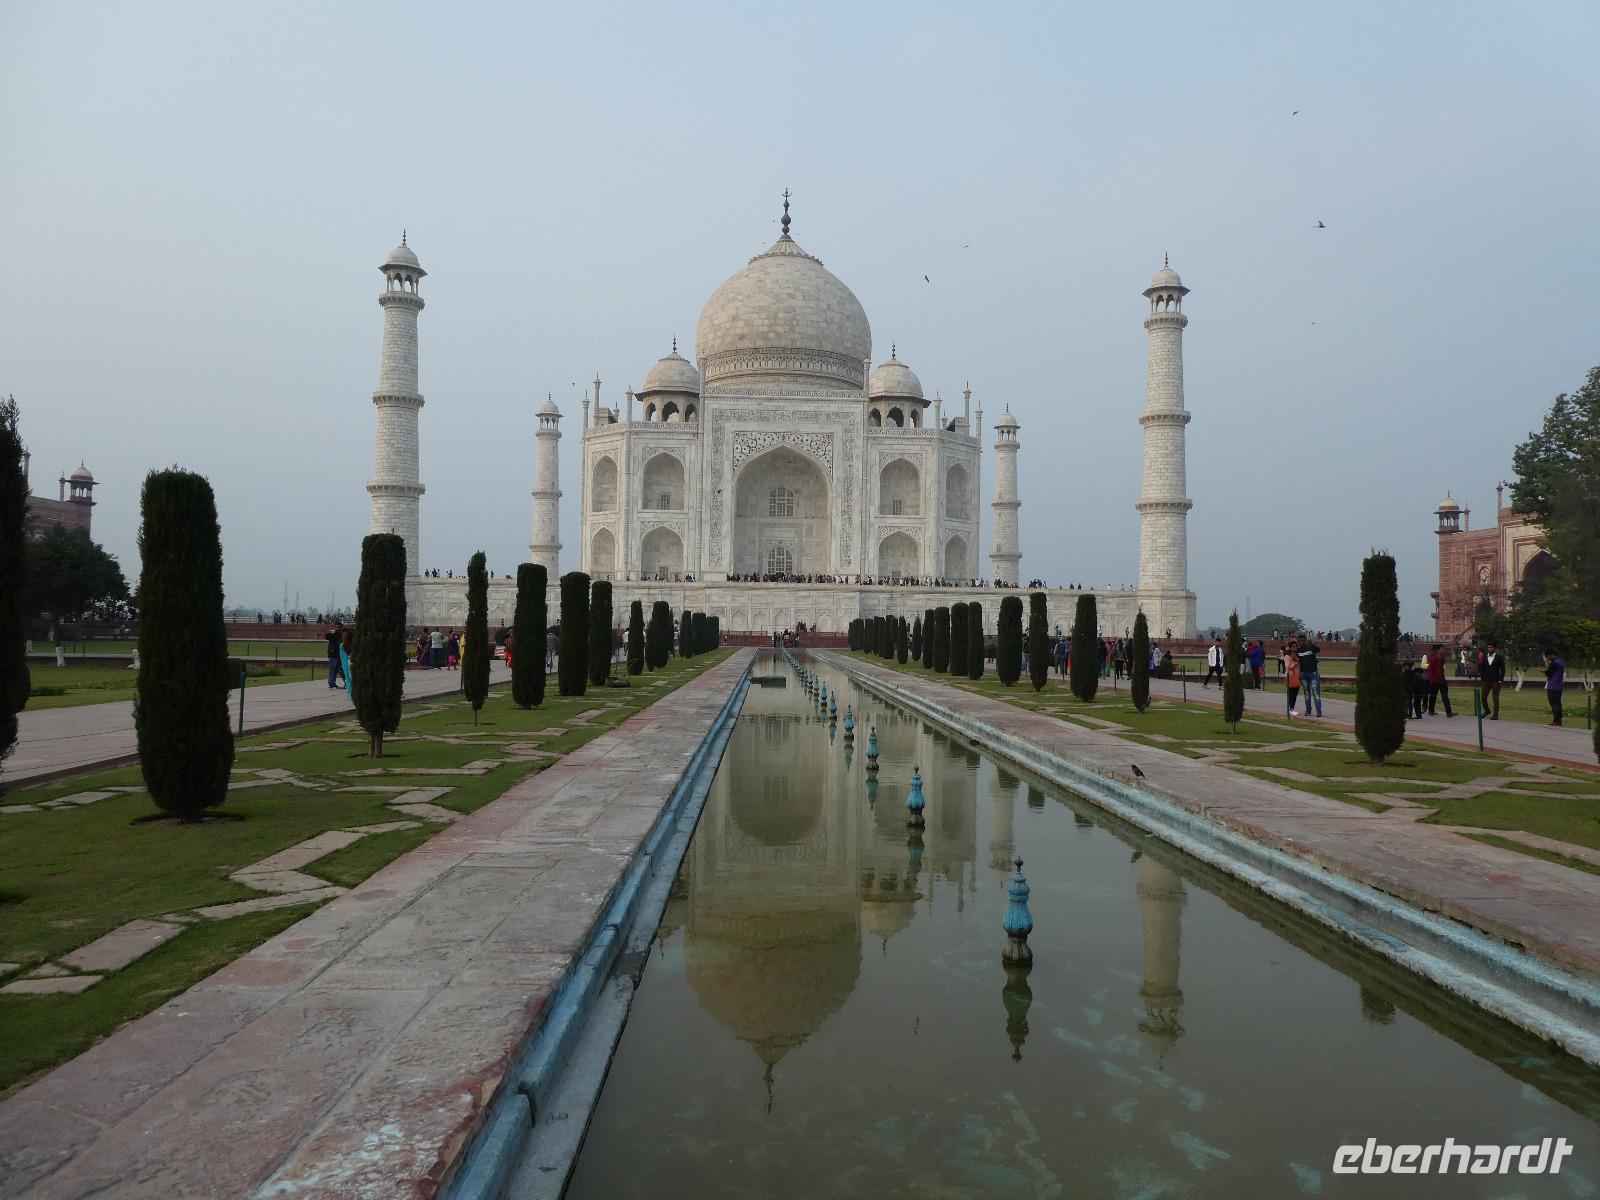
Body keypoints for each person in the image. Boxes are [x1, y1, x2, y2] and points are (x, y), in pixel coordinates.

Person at [1296, 637, 1323, 717]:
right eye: (1300, 641)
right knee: (1307, 693)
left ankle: (1318, 711)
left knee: (1316, 693)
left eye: (1303, 640)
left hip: (1313, 673)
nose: (1302, 642)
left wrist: (1311, 643)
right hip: (1303, 674)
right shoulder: (1298, 651)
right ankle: (1308, 710)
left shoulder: (1310, 648)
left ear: (1306, 641)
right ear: (1298, 642)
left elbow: (1318, 650)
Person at [1478, 639, 1504, 720]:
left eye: (1491, 647)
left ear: (1495, 648)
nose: (1489, 649)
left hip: (1496, 681)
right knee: (1483, 697)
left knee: (1495, 698)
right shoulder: (1485, 656)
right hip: (1486, 680)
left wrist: (1500, 680)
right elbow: (1482, 667)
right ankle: (1487, 711)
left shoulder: (1499, 657)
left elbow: (1503, 669)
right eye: (1488, 647)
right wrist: (1482, 677)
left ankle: (1495, 715)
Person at [1424, 643, 1453, 717]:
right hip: (1434, 681)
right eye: (1442, 649)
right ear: (1437, 650)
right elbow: (1430, 669)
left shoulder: (1442, 658)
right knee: (1433, 696)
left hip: (1442, 680)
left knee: (1445, 696)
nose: (1443, 650)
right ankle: (1431, 711)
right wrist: (1431, 679)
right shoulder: (1434, 658)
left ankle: (1449, 712)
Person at [1544, 648, 1566, 726]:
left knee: (1554, 704)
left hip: (1553, 686)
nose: (1547, 658)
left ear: (1551, 655)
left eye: (1548, 656)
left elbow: (1549, 673)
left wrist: (1545, 671)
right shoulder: (1561, 662)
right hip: (1559, 686)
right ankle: (1558, 721)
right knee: (1558, 704)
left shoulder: (1554, 663)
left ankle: (1556, 721)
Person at [325, 620, 346, 689]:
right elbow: (327, 636)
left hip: (340, 655)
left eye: (339, 627)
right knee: (332, 670)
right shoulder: (332, 634)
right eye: (337, 627)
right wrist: (332, 632)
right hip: (333, 655)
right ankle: (331, 683)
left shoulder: (341, 635)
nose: (338, 628)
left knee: (342, 670)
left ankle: (347, 682)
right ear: (335, 627)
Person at [1284, 647, 1301, 718]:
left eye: (1296, 646)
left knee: (1295, 694)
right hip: (1291, 676)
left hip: (1297, 676)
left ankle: (1292, 708)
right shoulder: (1288, 656)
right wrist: (1294, 663)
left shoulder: (1297, 655)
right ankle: (1290, 709)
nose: (1295, 648)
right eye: (1293, 646)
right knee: (1291, 694)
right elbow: (1288, 667)